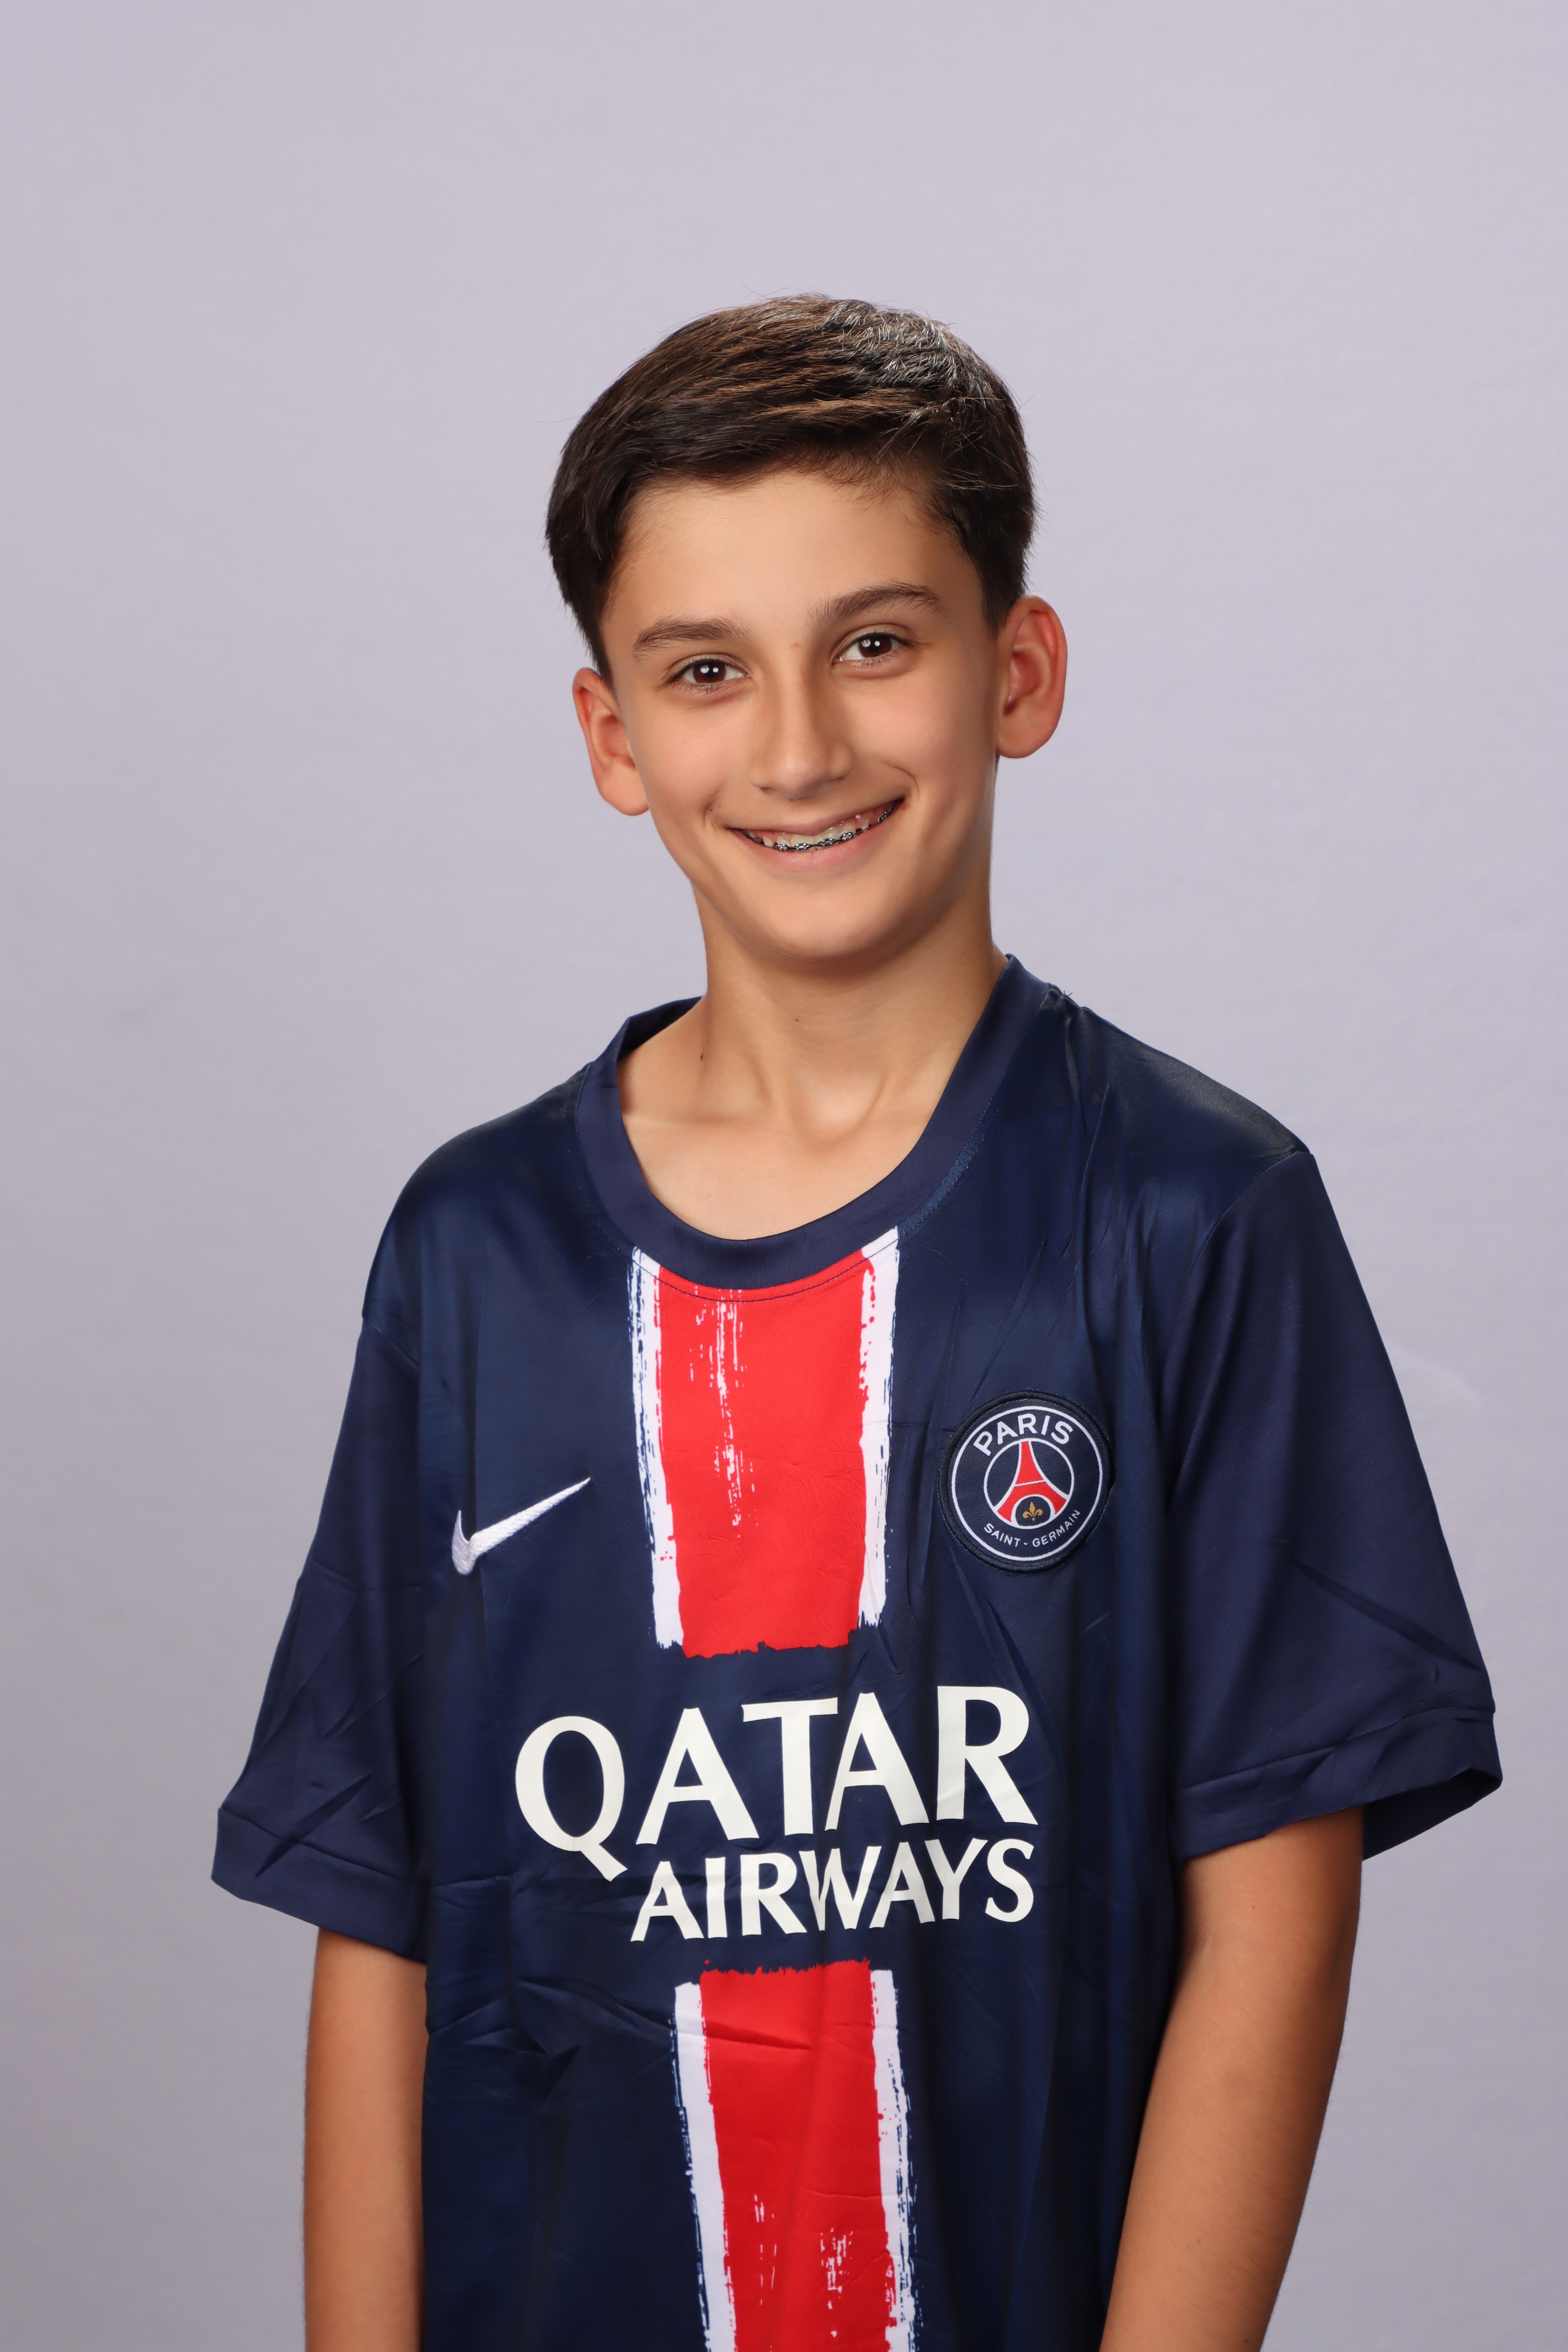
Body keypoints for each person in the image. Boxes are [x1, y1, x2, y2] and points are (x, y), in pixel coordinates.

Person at [214, 295, 1499, 2352]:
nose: (799, 745)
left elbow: (1269, 1931)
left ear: (1019, 670)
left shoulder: (1191, 1214)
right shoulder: (477, 1248)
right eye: (705, 671)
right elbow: (381, 1911)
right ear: (612, 737)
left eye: (875, 643)